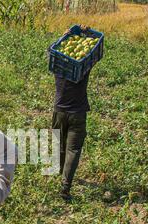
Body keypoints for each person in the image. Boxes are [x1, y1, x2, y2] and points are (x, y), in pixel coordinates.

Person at [51, 26, 91, 201]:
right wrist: (87, 34)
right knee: (73, 149)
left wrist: (64, 35)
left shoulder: (57, 66)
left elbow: (51, 50)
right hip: (78, 112)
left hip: (59, 110)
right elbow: (92, 54)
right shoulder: (83, 66)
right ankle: (65, 187)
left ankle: (58, 172)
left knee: (59, 144)